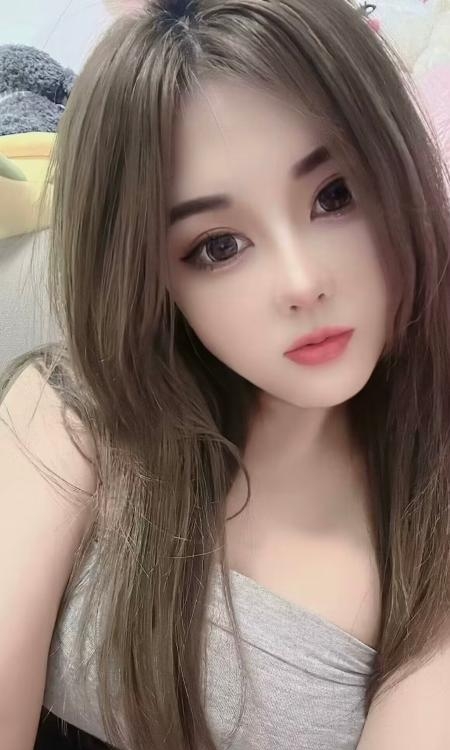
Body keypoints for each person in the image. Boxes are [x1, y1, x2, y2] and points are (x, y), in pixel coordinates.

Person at [1, 1, 449, 748]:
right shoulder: (68, 414)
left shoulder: (430, 523)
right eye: (218, 246)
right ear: (153, 279)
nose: (302, 283)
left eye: (335, 195)